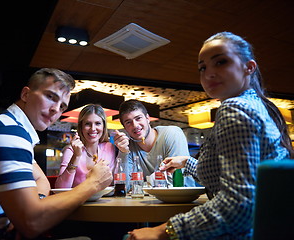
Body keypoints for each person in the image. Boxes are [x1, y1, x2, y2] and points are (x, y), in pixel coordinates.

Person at [125, 32, 294, 240]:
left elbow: (238, 204)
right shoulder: (254, 104)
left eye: (220, 62)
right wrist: (186, 162)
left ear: (248, 67)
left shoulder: (234, 109)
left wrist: (163, 231)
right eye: (202, 67)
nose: (209, 73)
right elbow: (232, 176)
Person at [0, 68, 113, 240]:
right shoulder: (7, 132)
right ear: (26, 94)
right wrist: (93, 183)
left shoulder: (11, 129)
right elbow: (32, 223)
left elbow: (41, 179)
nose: (56, 110)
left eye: (62, 106)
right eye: (51, 97)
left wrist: (32, 205)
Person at [114, 99, 195, 187]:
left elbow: (174, 181)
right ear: (125, 128)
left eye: (138, 118)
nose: (135, 125)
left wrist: (139, 186)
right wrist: (123, 152)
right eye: (128, 122)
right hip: (149, 200)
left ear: (148, 118)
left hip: (184, 197)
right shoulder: (128, 147)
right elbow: (123, 186)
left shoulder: (172, 133)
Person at [55, 104, 117, 188]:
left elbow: (116, 181)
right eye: (88, 124)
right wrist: (76, 156)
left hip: (106, 199)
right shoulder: (71, 150)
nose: (93, 128)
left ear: (103, 126)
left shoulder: (109, 147)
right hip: (79, 200)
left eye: (98, 123)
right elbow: (60, 188)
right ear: (81, 127)